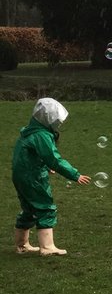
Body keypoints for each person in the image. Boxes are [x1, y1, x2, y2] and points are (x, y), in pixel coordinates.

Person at [12, 97, 91, 256]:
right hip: (32, 177)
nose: (58, 123)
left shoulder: (30, 131)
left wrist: (46, 166)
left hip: (21, 175)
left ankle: (22, 245)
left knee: (29, 209)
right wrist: (75, 175)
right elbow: (54, 158)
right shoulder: (41, 135)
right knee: (45, 207)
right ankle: (47, 248)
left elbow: (30, 155)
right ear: (47, 119)